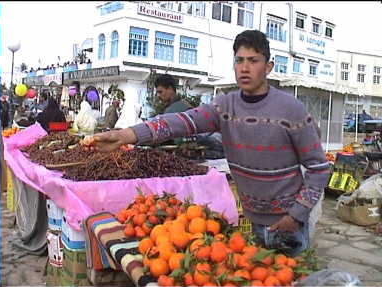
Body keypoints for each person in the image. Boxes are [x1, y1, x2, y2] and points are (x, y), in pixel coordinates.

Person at [85, 30, 330, 256]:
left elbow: (319, 169)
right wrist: (124, 136)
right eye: (239, 60)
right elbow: (180, 122)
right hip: (254, 220)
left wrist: (297, 215)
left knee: (293, 279)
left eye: (253, 61)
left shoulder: (292, 110)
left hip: (289, 223)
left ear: (268, 67)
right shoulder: (225, 106)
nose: (244, 68)